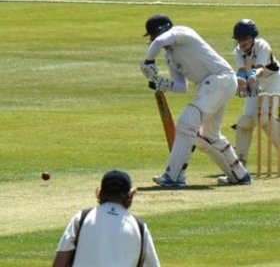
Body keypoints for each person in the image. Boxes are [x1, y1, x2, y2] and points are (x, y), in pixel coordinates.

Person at [139, 14, 252, 186]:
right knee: (208, 136)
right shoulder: (170, 56)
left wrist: (149, 61)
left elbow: (159, 42)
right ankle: (239, 174)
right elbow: (181, 86)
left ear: (161, 30)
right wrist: (161, 83)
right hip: (214, 85)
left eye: (153, 34)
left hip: (219, 78)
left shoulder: (181, 32)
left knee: (187, 122)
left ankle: (174, 176)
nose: (152, 39)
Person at [52, 170, 160, 267]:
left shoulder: (82, 218)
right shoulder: (139, 227)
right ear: (130, 195)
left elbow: (61, 261)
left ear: (100, 193)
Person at [232, 18, 280, 167]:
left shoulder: (262, 45)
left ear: (253, 37)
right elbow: (240, 70)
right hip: (256, 83)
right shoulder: (238, 51)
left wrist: (252, 75)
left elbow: (259, 67)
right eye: (240, 40)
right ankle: (240, 163)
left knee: (265, 119)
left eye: (245, 39)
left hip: (273, 81)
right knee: (246, 121)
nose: (242, 43)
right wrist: (240, 81)